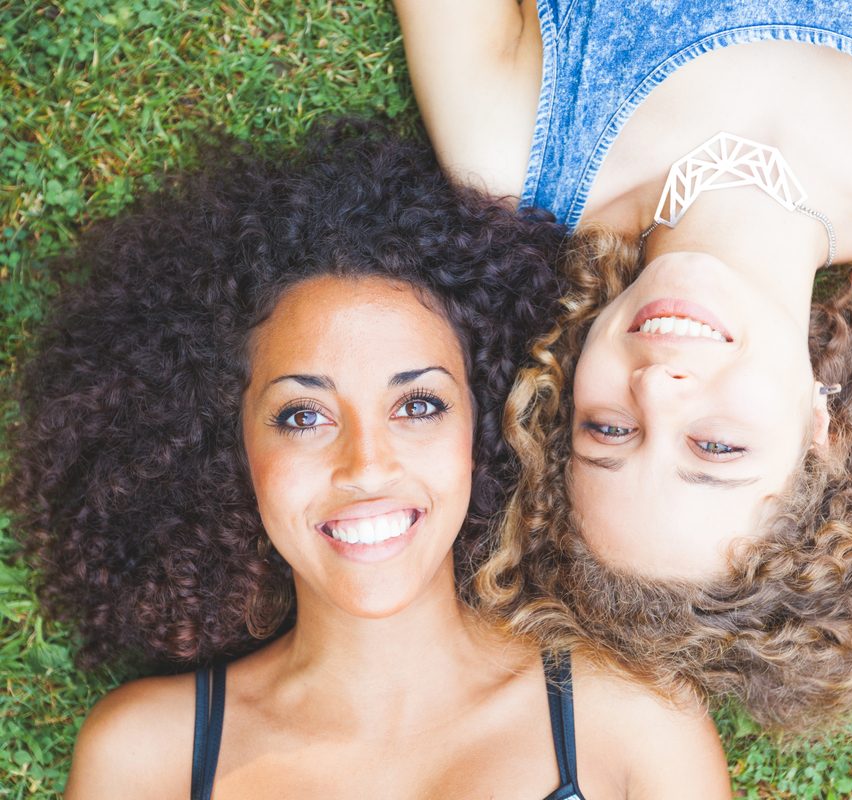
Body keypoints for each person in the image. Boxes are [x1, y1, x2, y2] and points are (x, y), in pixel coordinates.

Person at [5, 122, 730, 797]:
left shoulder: (638, 723)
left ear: (487, 429)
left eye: (418, 405)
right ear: (224, 443)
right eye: (303, 416)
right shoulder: (143, 758)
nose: (366, 465)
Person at [396, 2, 852, 728]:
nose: (657, 390)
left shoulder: (513, 145)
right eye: (716, 448)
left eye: (608, 431)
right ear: (823, 430)